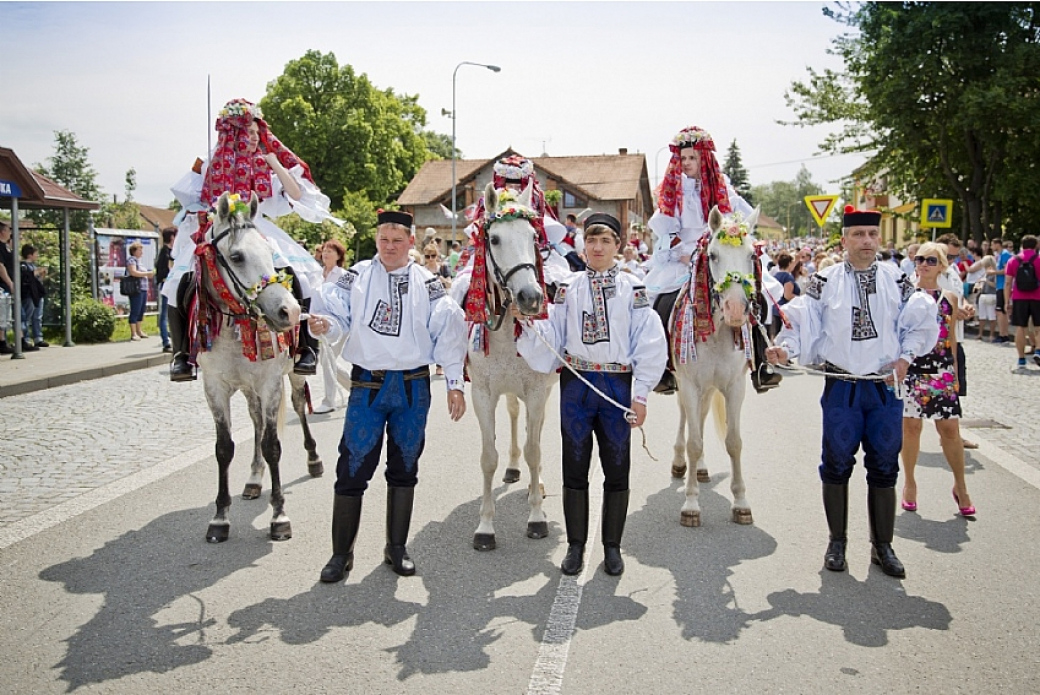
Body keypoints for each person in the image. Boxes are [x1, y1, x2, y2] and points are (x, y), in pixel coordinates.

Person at [765, 206, 939, 579]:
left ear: (879, 239)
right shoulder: (825, 281)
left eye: (871, 235)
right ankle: (837, 542)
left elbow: (919, 322)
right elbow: (802, 323)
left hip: (883, 389)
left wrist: (906, 358)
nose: (865, 241)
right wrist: (786, 349)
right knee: (837, 463)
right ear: (843, 241)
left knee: (884, 466)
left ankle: (883, 547)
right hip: (842, 386)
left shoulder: (897, 279)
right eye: (857, 234)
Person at [309, 210, 468, 583]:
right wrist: (325, 325)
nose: (390, 247)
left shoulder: (429, 283)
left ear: (411, 242)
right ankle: (340, 555)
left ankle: (396, 548)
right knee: (351, 466)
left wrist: (456, 384)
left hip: (413, 386)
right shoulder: (357, 276)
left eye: (398, 240)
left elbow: (447, 331)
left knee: (405, 467)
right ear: (377, 239)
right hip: (368, 384)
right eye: (384, 239)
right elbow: (337, 315)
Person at [515, 213, 667, 577]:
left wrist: (641, 394)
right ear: (582, 245)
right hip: (577, 386)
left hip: (617, 386)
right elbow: (553, 334)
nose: (597, 247)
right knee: (574, 467)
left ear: (618, 246)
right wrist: (529, 326)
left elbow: (649, 342)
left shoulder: (634, 288)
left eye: (605, 241)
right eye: (591, 240)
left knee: (617, 468)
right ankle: (575, 546)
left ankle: (612, 547)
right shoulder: (567, 287)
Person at [164, 98, 338, 381]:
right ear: (233, 133)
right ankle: (182, 355)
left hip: (256, 228)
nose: (257, 137)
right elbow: (188, 198)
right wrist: (199, 178)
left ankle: (306, 349)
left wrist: (274, 162)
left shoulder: (265, 165)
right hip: (217, 229)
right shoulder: (209, 164)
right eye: (251, 132)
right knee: (176, 285)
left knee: (302, 279)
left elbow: (295, 194)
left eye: (259, 132)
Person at [899, 242, 976, 517]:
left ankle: (961, 485)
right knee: (910, 429)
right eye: (919, 259)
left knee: (950, 431)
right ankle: (909, 483)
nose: (923, 264)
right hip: (913, 369)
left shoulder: (950, 298)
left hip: (941, 369)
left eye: (930, 260)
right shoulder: (905, 294)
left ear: (942, 265)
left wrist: (955, 373)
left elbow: (951, 338)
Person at [313, 240, 348, 415]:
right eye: (324, 250)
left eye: (330, 251)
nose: (326, 254)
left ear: (339, 256)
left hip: (341, 325)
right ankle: (355, 388)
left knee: (327, 359)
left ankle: (329, 401)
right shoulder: (318, 274)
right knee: (327, 360)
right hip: (322, 325)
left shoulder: (342, 275)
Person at [1004, 234, 1040, 369]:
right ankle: (1038, 350)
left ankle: (1021, 359)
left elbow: (1008, 283)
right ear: (1036, 246)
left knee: (1020, 328)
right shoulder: (1039, 259)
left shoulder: (1013, 260)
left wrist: (1007, 301)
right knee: (1038, 328)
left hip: (1019, 297)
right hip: (1038, 297)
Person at [19, 244, 48, 349]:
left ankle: (38, 338)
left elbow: (37, 280)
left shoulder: (34, 266)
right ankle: (25, 339)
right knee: (26, 316)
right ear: (29, 255)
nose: (37, 256)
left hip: (37, 294)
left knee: (37, 316)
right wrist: (37, 272)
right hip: (29, 294)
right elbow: (27, 277)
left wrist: (42, 275)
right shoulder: (23, 265)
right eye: (36, 254)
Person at [125, 241, 154, 341]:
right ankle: (133, 333)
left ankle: (139, 330)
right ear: (134, 251)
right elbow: (133, 272)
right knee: (135, 310)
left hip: (143, 289)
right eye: (140, 249)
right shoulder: (132, 260)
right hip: (136, 289)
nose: (141, 252)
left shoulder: (139, 261)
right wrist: (147, 273)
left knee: (141, 310)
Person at [155, 227, 176, 353]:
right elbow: (163, 271)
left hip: (169, 285)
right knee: (165, 315)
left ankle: (169, 338)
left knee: (168, 314)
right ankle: (166, 342)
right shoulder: (166, 253)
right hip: (167, 286)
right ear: (172, 238)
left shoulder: (169, 252)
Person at [992, 237, 1013, 343]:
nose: (992, 247)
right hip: (1000, 285)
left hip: (1003, 286)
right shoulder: (999, 255)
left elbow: (1006, 270)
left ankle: (1003, 334)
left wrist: (993, 272)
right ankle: (1004, 334)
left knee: (1000, 311)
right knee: (1002, 312)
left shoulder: (1005, 255)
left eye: (993, 244)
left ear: (997, 244)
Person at [975, 255, 998, 341]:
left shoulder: (994, 273)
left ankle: (991, 335)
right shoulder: (985, 273)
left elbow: (995, 285)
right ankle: (980, 334)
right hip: (983, 294)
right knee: (982, 316)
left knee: (992, 317)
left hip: (991, 294)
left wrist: (986, 281)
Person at [0, 222, 14, 354]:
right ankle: (1, 341)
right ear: (2, 232)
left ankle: (3, 340)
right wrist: (10, 282)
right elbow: (1, 266)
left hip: (5, 286)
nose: (10, 233)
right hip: (2, 286)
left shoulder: (6, 247)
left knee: (5, 314)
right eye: (8, 230)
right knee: (2, 313)